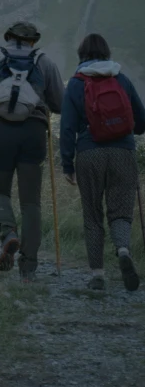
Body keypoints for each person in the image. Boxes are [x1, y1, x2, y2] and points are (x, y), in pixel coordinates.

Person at [0, 22, 64, 281]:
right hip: (33, 132)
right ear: (33, 41)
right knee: (31, 201)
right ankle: (28, 266)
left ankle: (9, 233)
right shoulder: (45, 62)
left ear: (8, 38)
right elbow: (59, 104)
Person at [60, 33, 145, 291]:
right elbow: (141, 123)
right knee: (120, 212)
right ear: (107, 53)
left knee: (93, 214)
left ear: (81, 56)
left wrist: (67, 165)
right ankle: (122, 250)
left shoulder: (76, 84)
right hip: (123, 153)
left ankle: (97, 274)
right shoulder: (121, 79)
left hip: (89, 154)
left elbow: (67, 128)